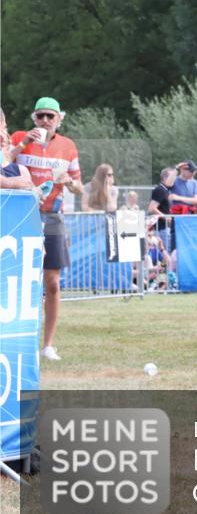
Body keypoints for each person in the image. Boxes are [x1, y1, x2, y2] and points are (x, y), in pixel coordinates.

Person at [9, 98, 84, 361]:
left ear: (59, 119)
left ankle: (48, 345)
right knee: (17, 280)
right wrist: (21, 144)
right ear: (33, 118)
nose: (45, 121)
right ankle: (16, 339)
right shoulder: (20, 137)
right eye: (40, 116)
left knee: (52, 282)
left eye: (50, 116)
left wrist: (69, 183)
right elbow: (2, 161)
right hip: (21, 215)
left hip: (52, 216)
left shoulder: (68, 146)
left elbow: (79, 186)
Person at [1, 108, 34, 190]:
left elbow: (6, 158)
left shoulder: (21, 171)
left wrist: (35, 192)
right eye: (40, 115)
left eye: (4, 128)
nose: (2, 136)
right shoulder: (19, 136)